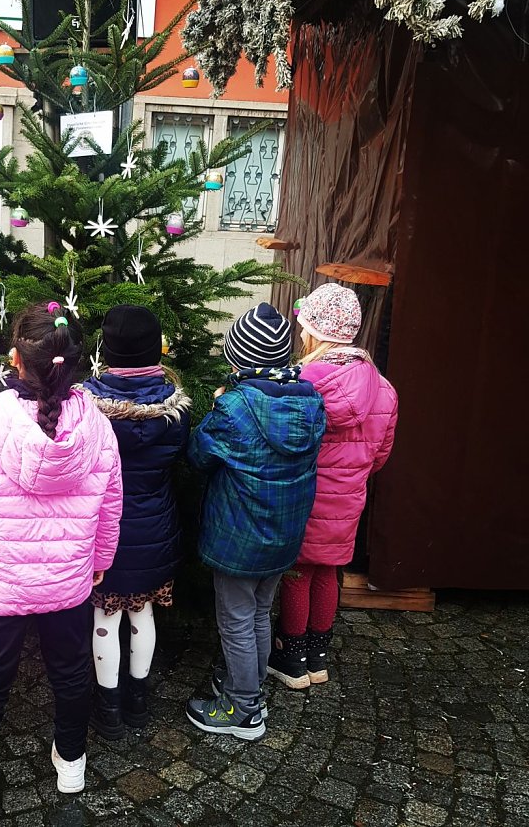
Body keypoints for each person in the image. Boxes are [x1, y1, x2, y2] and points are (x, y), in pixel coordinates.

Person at [0, 303, 123, 825]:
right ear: (77, 361)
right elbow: (111, 501)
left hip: (1, 581)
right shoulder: (98, 425)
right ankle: (72, 764)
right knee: (71, 671)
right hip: (68, 581)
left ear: (15, 358)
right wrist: (101, 558)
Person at [185, 304, 326, 740]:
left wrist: (214, 410)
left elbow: (198, 457)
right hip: (285, 534)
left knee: (236, 619)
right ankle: (250, 684)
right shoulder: (311, 402)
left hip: (238, 537)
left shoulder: (234, 409)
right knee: (261, 611)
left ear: (239, 358)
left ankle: (242, 709)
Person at [268, 284, 398, 689]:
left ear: (313, 331)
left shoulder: (301, 382)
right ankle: (317, 656)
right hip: (348, 501)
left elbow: (283, 442)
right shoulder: (384, 388)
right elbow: (381, 455)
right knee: (328, 573)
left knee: (297, 574)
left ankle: (290, 658)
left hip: (303, 497)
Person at [78, 305, 191, 739]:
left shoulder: (85, 406)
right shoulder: (175, 409)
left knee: (104, 617)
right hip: (154, 529)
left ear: (106, 350)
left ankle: (108, 708)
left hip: (101, 533)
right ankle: (138, 702)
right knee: (142, 613)